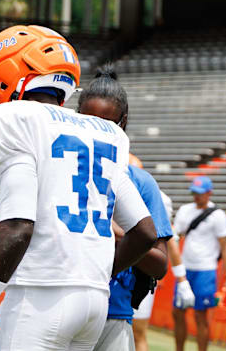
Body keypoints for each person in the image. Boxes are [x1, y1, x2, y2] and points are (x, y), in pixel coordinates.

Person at [0, 25, 158, 351]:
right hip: (94, 302)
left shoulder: (13, 118)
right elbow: (145, 232)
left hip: (40, 296)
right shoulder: (108, 132)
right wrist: (96, 273)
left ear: (4, 74)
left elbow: (18, 226)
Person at [76, 67, 173, 351]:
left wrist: (116, 231)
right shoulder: (58, 168)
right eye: (88, 122)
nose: (97, 133)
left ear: (124, 122)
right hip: (60, 303)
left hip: (113, 313)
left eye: (107, 124)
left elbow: (159, 264)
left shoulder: (140, 182)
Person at [172, 176, 226, 351]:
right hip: (185, 269)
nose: (196, 196)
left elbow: (225, 247)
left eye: (200, 193)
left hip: (206, 270)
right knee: (177, 313)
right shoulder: (185, 210)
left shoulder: (218, 215)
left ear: (209, 193)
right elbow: (176, 238)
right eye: (194, 193)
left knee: (200, 315)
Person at [131, 189, 196, 351]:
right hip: (112, 271)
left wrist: (182, 280)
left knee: (137, 334)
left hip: (140, 273)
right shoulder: (109, 178)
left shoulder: (154, 193)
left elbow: (169, 238)